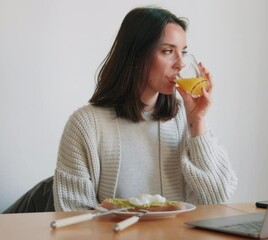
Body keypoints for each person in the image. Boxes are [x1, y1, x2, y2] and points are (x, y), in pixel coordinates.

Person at [52, 6, 237, 211]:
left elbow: (217, 199)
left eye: (182, 52)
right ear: (137, 54)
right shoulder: (85, 125)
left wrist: (198, 121)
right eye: (168, 51)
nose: (181, 64)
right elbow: (71, 214)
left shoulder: (186, 119)